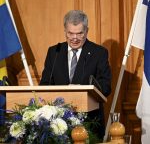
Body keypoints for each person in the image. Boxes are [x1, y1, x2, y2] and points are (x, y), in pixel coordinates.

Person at [40, 10, 111, 141]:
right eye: (70, 33)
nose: (74, 38)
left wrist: (83, 89)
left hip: (89, 123)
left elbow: (105, 88)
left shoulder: (99, 53)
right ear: (65, 31)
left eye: (79, 33)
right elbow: (44, 85)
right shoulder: (54, 52)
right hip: (58, 125)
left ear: (86, 31)